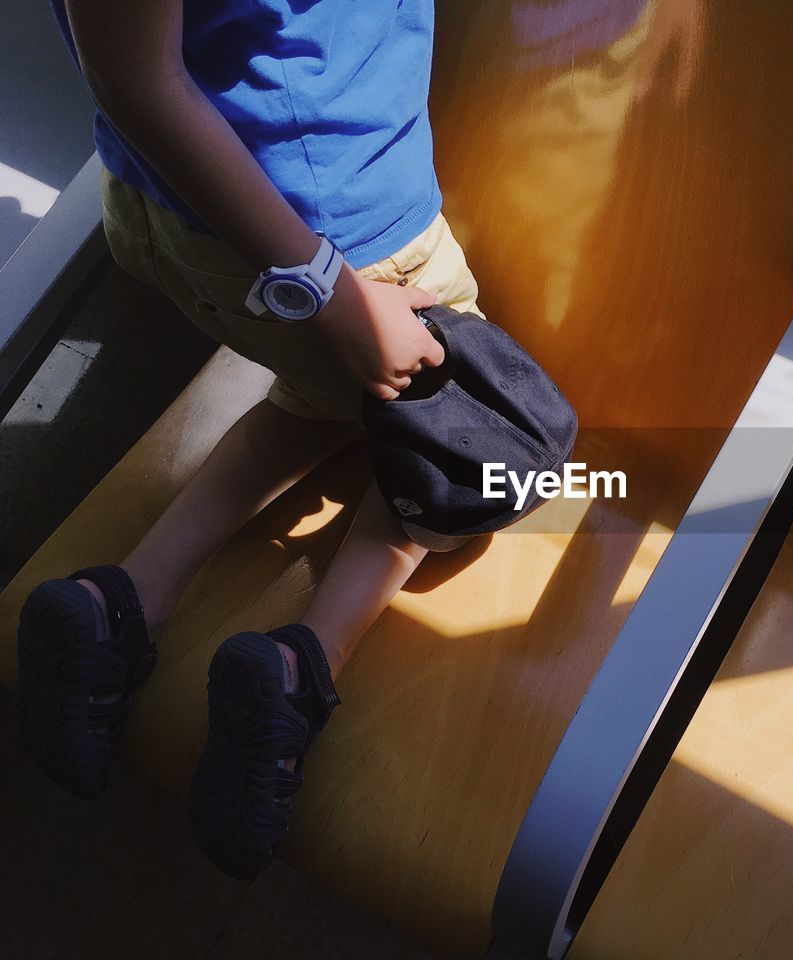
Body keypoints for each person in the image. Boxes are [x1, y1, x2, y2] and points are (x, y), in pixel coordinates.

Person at [16, 0, 478, 879]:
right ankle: (304, 662)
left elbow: (127, 64)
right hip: (331, 235)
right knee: (462, 438)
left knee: (316, 398)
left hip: (175, 212)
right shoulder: (333, 260)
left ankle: (127, 598)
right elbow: (142, 81)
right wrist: (334, 298)